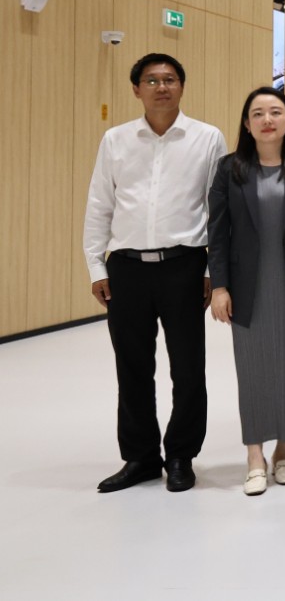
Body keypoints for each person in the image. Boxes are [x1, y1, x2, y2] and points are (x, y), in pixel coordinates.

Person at [84, 53, 226, 494]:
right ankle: (141, 457)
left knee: (188, 367)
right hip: (126, 269)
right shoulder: (115, 139)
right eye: (151, 80)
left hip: (184, 266)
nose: (161, 87)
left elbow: (217, 209)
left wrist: (212, 269)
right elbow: (99, 204)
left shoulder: (207, 138)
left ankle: (181, 454)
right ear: (136, 89)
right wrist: (96, 265)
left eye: (169, 80)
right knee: (132, 367)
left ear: (181, 86)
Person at [207, 87, 285, 495]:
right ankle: (255, 456)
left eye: (275, 112)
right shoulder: (230, 169)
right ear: (247, 124)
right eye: (257, 113)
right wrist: (219, 286)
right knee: (251, 370)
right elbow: (217, 231)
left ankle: (284, 451)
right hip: (247, 287)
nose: (267, 120)